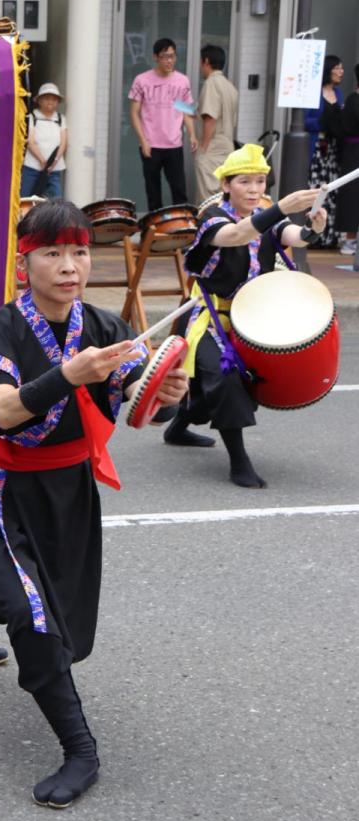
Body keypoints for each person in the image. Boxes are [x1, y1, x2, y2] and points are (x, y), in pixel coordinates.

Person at [0, 200, 188, 809]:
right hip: (2, 497)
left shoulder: (104, 326)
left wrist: (167, 393)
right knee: (32, 614)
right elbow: (2, 409)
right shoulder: (1, 330)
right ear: (25, 264)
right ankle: (81, 750)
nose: (70, 265)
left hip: (70, 494)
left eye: (80, 252)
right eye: (53, 253)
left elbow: (139, 399)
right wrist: (69, 374)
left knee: (40, 599)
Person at [164, 144, 326, 488]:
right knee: (225, 379)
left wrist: (313, 228)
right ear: (226, 185)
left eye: (260, 182)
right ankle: (239, 462)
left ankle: (177, 428)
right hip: (209, 317)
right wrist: (281, 207)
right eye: (244, 182)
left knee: (233, 382)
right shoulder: (212, 218)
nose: (254, 190)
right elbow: (238, 234)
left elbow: (293, 236)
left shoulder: (267, 215)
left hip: (249, 319)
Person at [128, 38, 197, 211]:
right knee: (153, 192)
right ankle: (155, 225)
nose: (169, 61)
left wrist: (192, 135)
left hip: (174, 144)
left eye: (172, 56)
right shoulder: (142, 80)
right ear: (155, 57)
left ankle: (181, 224)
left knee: (179, 190)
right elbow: (134, 113)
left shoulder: (182, 81)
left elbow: (186, 111)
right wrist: (143, 140)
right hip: (150, 144)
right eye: (165, 57)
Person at [305, 54, 344, 250]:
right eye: (337, 68)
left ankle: (329, 237)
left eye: (341, 68)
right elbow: (305, 120)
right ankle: (312, 234)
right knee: (315, 189)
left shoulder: (339, 93)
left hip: (333, 149)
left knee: (332, 189)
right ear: (328, 70)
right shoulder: (314, 92)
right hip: (317, 148)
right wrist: (322, 123)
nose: (341, 72)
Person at [194, 44, 239, 203]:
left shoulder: (211, 83)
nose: (200, 67)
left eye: (200, 62)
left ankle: (210, 221)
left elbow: (210, 118)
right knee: (223, 196)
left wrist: (203, 148)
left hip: (213, 147)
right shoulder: (230, 86)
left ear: (206, 61)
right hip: (227, 146)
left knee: (208, 199)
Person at [21, 83, 68, 199]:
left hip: (54, 169)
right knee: (25, 199)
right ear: (40, 101)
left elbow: (63, 142)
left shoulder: (61, 118)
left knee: (56, 200)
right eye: (47, 98)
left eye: (54, 99)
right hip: (32, 167)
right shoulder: (32, 117)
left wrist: (54, 161)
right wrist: (42, 161)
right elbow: (30, 141)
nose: (50, 102)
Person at [335, 62, 359, 258]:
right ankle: (350, 239)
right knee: (352, 194)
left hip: (353, 151)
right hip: (354, 153)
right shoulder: (353, 100)